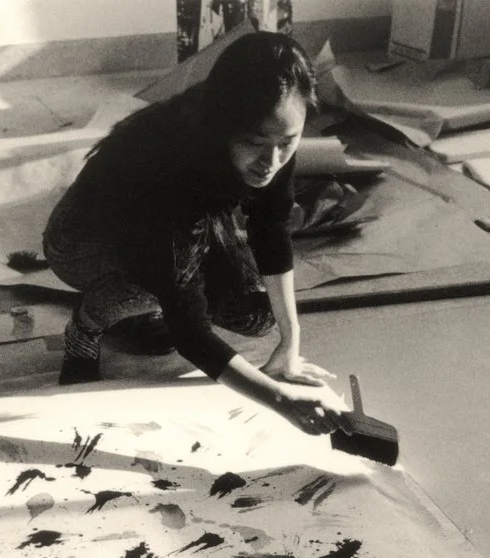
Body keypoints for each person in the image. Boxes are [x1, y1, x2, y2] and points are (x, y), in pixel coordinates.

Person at [41, 32, 344, 414]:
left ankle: (141, 311)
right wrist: (279, 400)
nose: (272, 161)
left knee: (258, 313)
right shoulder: (169, 164)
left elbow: (271, 228)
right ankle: (85, 328)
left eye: (288, 141)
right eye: (255, 142)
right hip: (81, 242)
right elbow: (192, 335)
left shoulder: (274, 138)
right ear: (224, 124)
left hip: (169, 227)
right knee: (157, 284)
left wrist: (291, 343)